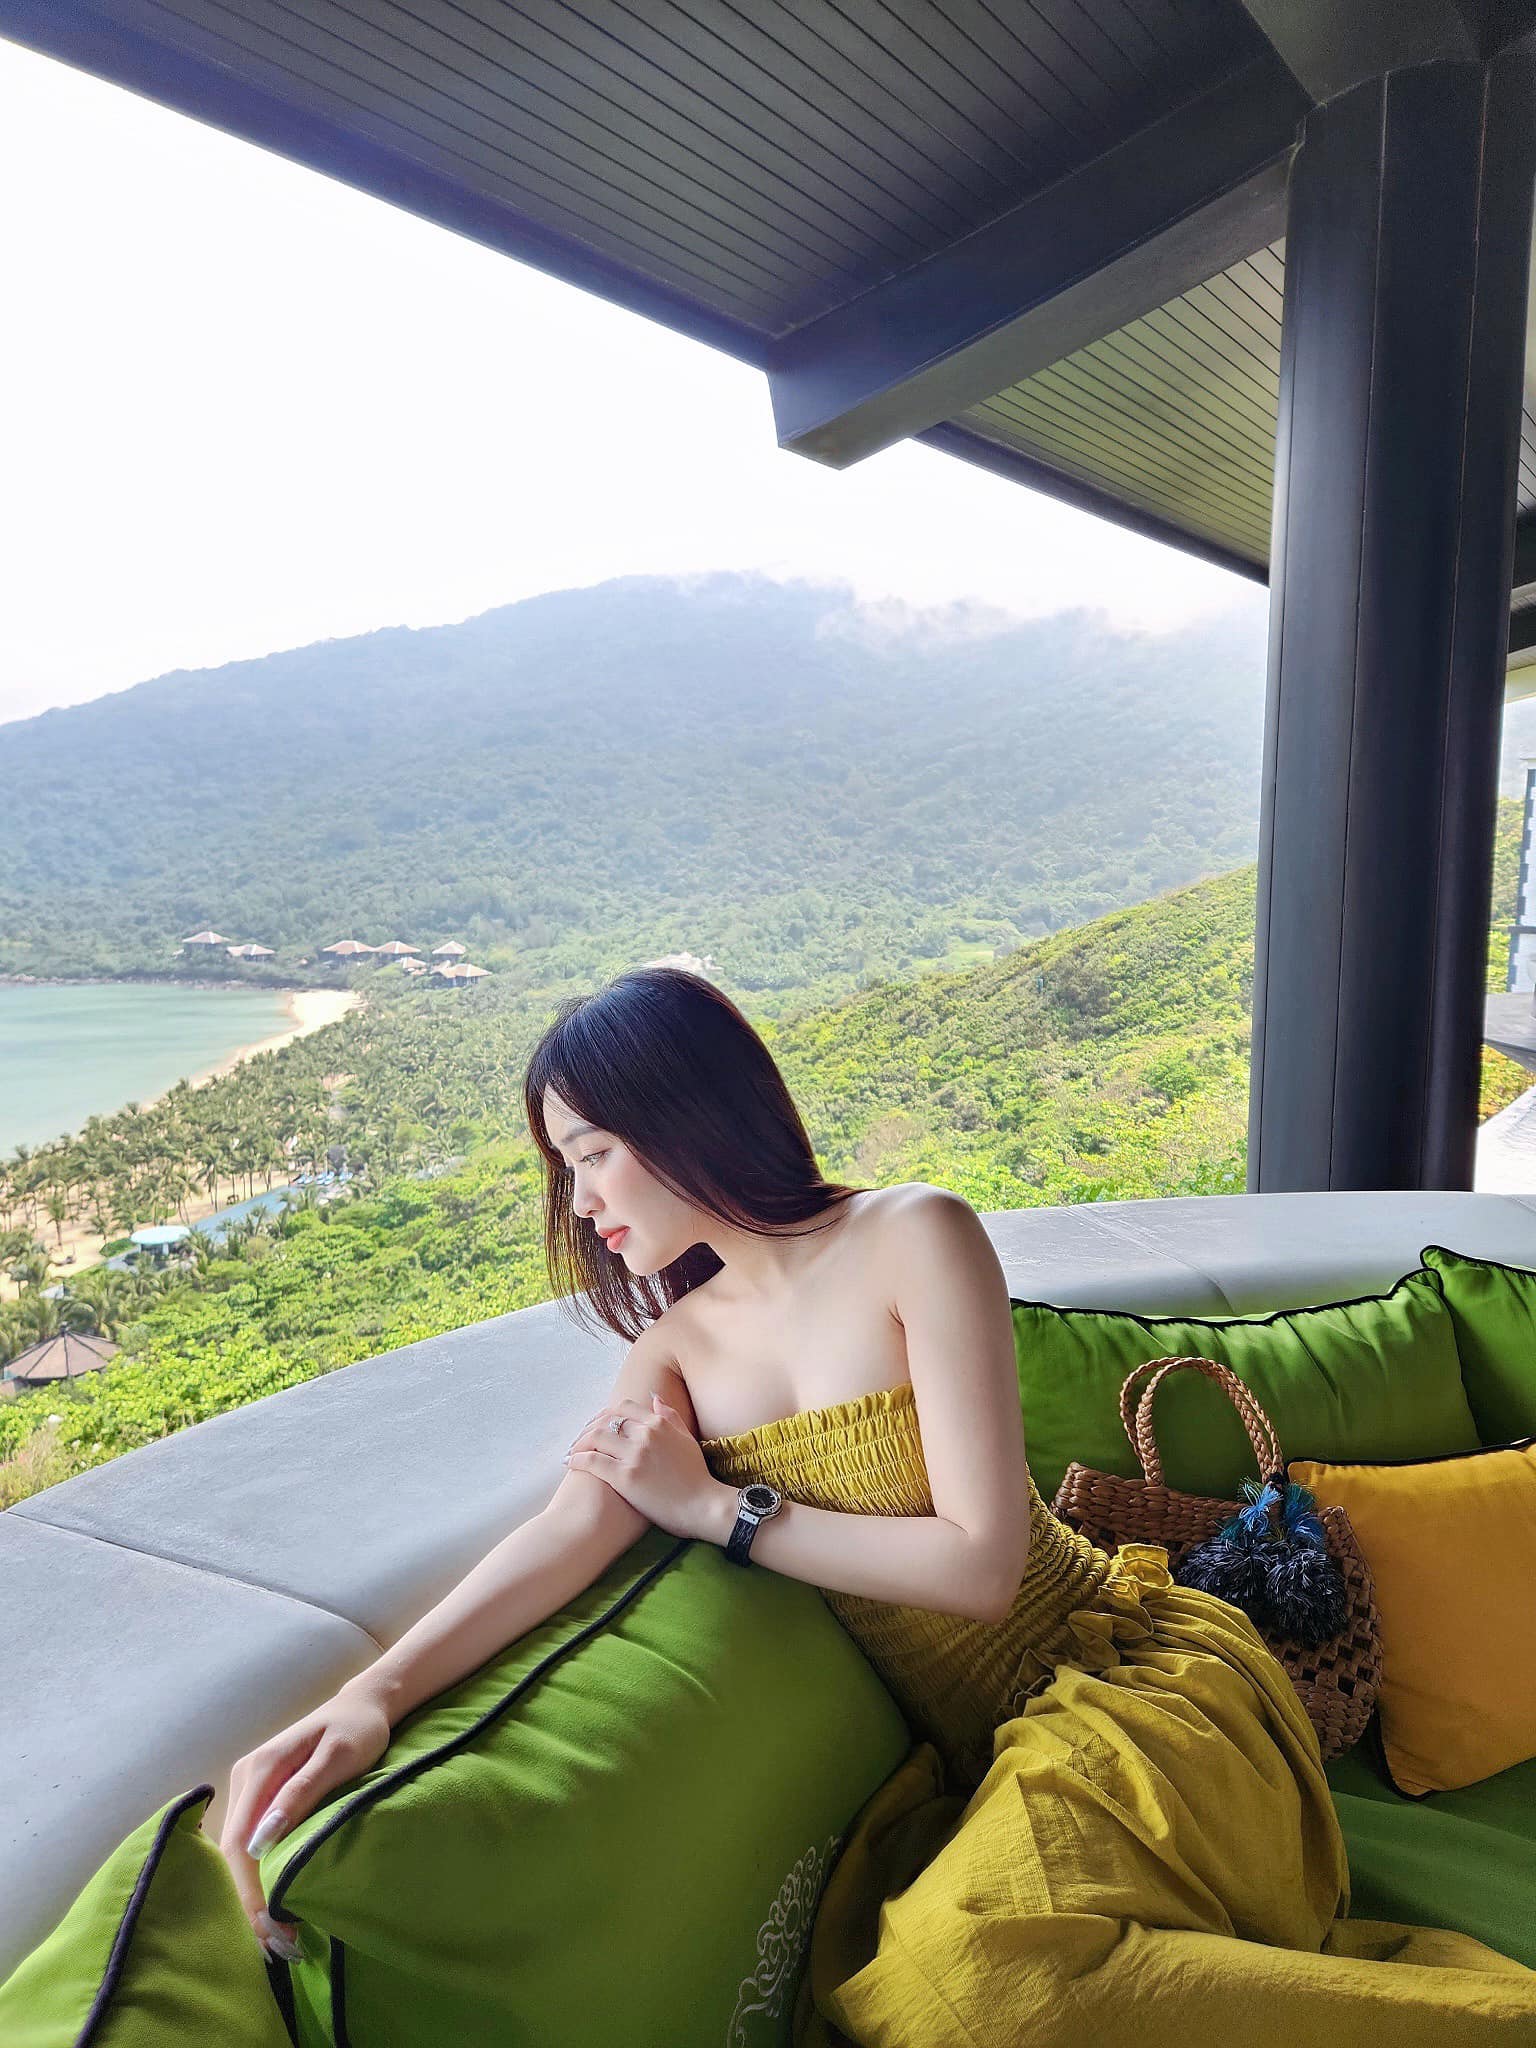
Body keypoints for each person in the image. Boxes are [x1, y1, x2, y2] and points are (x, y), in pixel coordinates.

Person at [218, 966, 1536, 2039]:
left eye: (596, 1152)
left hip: (1132, 1685)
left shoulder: (914, 1234)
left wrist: (720, 1514)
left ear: (686, 1115)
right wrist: (372, 1696)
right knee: (943, 1994)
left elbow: (980, 1563)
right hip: (994, 1751)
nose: (581, 1199)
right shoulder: (675, 1352)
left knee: (963, 1995)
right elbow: (570, 1529)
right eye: (566, 1167)